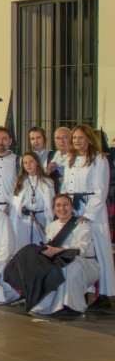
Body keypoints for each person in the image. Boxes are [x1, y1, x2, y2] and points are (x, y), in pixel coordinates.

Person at [4, 193, 100, 317]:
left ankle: (72, 306)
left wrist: (58, 250)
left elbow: (81, 248)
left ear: (71, 207)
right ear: (54, 208)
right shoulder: (51, 226)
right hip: (60, 260)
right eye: (58, 205)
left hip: (84, 263)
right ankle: (45, 302)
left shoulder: (81, 224)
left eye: (66, 205)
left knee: (70, 266)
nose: (62, 209)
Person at [61, 125, 113, 307]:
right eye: (74, 138)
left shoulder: (99, 160)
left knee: (97, 250)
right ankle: (80, 290)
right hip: (73, 209)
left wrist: (89, 214)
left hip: (93, 212)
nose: (76, 141)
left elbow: (101, 190)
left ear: (89, 139)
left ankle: (102, 294)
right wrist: (64, 207)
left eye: (80, 137)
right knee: (76, 247)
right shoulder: (70, 159)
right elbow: (65, 186)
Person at [9, 152, 55, 250]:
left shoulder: (47, 182)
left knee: (40, 247)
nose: (28, 165)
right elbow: (15, 202)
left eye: (30, 162)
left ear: (37, 162)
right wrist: (21, 208)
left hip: (41, 218)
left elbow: (50, 204)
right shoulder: (21, 181)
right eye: (25, 163)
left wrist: (48, 221)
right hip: (25, 220)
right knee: (24, 247)